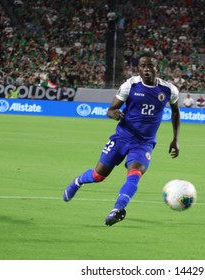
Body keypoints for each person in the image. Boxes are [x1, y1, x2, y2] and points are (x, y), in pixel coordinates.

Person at [62, 52, 181, 226]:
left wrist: (175, 139)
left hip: (144, 143)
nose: (147, 69)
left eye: (150, 65)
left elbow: (176, 112)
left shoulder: (169, 89)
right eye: (143, 66)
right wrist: (114, 114)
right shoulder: (130, 85)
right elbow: (110, 110)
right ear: (138, 68)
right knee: (98, 176)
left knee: (135, 173)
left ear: (157, 67)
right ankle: (78, 181)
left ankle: (117, 209)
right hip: (122, 138)